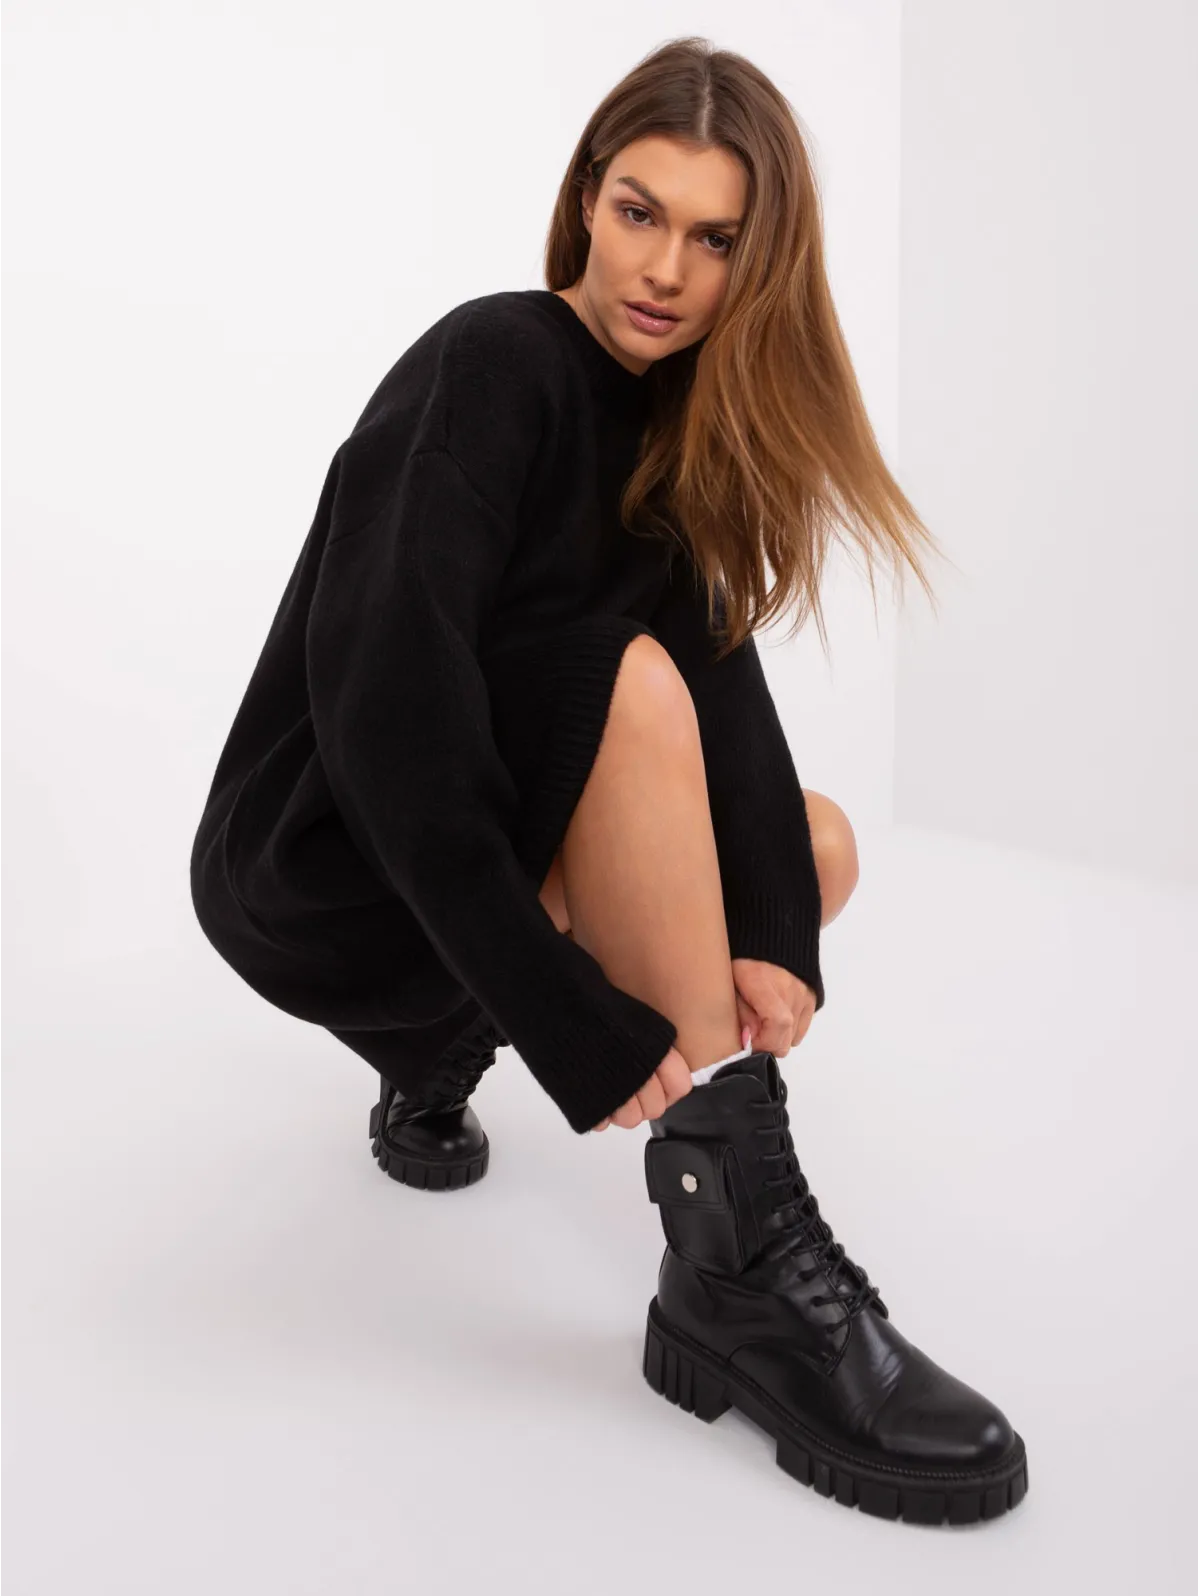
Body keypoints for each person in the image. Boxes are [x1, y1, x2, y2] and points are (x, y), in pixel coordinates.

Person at [188, 37, 1027, 1524]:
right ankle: (740, 1273)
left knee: (812, 851)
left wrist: (777, 931)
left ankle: (436, 1055)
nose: (665, 271)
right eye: (639, 211)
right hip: (322, 862)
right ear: (586, 195)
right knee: (627, 688)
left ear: (757, 262)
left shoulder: (676, 419)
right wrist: (557, 1008)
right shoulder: (493, 361)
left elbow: (723, 678)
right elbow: (390, 718)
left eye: (715, 239)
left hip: (462, 858)